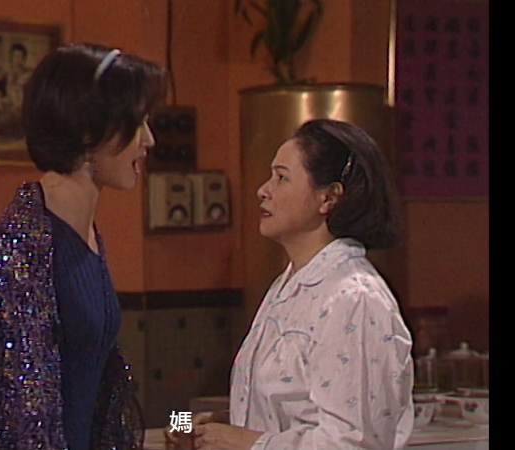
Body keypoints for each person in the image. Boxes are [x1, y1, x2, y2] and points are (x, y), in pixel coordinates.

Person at [0, 43, 166, 450]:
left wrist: (183, 427)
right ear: (88, 131)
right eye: (136, 124)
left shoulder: (87, 236)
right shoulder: (23, 246)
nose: (149, 139)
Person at [166, 119, 414, 450]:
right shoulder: (288, 286)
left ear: (328, 197)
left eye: (281, 177)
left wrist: (248, 444)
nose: (263, 190)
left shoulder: (353, 298)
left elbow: (354, 442)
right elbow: (286, 413)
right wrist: (205, 425)